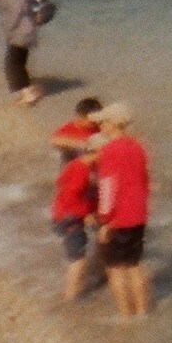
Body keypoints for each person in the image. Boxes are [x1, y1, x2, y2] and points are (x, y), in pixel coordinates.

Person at [91, 102, 152, 318]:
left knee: (115, 268)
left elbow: (108, 187)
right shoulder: (138, 147)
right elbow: (145, 181)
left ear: (114, 124)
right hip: (139, 214)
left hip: (119, 217)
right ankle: (143, 313)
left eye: (103, 122)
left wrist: (105, 220)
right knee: (135, 265)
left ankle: (126, 315)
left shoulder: (110, 151)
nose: (100, 126)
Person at [50, 120, 102, 303]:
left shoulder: (75, 165)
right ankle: (71, 298)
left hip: (64, 215)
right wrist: (86, 213)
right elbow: (70, 196)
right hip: (69, 218)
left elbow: (61, 186)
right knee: (77, 260)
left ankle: (95, 277)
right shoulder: (82, 169)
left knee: (90, 247)